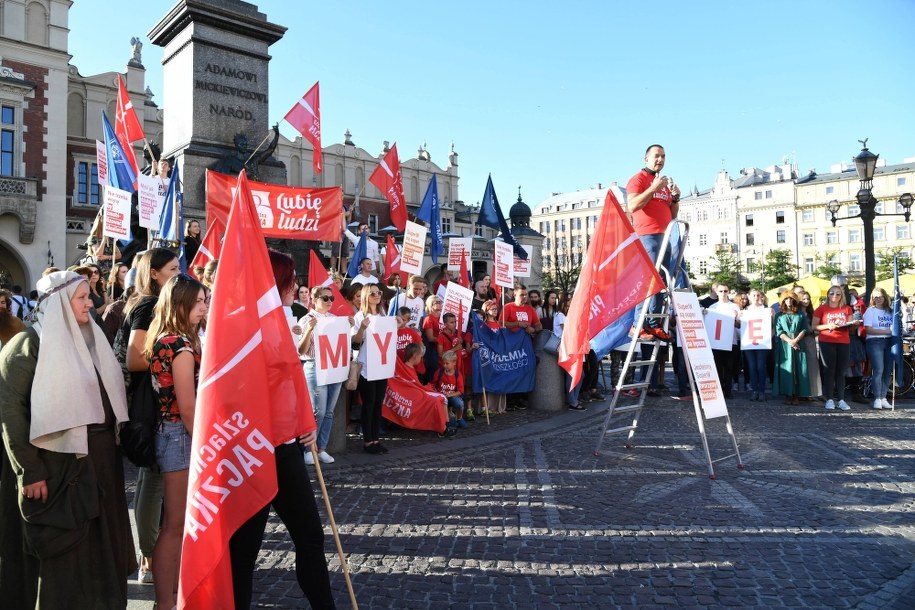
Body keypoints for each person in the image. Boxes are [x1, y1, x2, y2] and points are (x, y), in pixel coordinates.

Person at [0, 271, 135, 608]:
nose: (90, 304)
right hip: (55, 470)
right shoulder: (26, 347)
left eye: (89, 296)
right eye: (82, 298)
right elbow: (11, 414)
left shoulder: (91, 339)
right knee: (64, 557)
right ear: (59, 302)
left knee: (102, 552)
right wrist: (30, 471)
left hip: (100, 463)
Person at [230, 250, 336, 609]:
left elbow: (291, 380)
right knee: (243, 550)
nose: (296, 287)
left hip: (286, 446)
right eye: (291, 280)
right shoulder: (245, 324)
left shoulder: (283, 319)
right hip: (254, 450)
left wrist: (304, 421)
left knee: (310, 537)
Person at [113, 247, 181, 584]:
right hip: (148, 402)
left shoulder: (147, 302)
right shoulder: (149, 305)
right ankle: (150, 559)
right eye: (172, 269)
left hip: (146, 401)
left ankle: (148, 556)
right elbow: (135, 358)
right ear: (154, 274)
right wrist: (175, 357)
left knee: (149, 479)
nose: (178, 274)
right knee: (153, 481)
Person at [144, 273, 208, 609]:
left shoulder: (167, 338)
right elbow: (188, 408)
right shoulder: (180, 345)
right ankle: (165, 602)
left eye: (204, 301)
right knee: (175, 524)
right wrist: (205, 447)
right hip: (179, 436)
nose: (203, 307)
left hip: (171, 433)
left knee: (176, 523)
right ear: (179, 304)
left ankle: (171, 597)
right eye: (197, 302)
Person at [626, 144, 681, 341]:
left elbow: (672, 215)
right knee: (648, 279)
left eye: (663, 156)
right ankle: (637, 324)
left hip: (664, 236)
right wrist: (653, 188)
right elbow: (633, 205)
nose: (660, 159)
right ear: (646, 159)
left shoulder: (663, 183)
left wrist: (675, 199)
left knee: (660, 281)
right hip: (647, 235)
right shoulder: (638, 179)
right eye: (656, 156)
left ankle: (653, 324)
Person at [299, 285, 352, 463]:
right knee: (318, 412)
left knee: (329, 411)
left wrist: (349, 327)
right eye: (325, 298)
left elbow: (344, 343)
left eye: (332, 298)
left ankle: (322, 448)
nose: (329, 301)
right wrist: (309, 330)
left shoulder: (335, 319)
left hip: (334, 366)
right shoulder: (306, 320)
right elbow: (301, 350)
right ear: (314, 300)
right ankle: (309, 449)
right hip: (315, 366)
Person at [353, 284, 391, 454]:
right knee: (369, 404)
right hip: (366, 366)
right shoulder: (359, 316)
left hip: (381, 365)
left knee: (378, 404)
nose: (377, 295)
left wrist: (397, 325)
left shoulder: (383, 315)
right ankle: (368, 441)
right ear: (366, 296)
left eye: (378, 292)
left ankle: (376, 439)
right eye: (373, 293)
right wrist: (362, 328)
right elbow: (354, 343)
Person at [812, 286, 860, 411]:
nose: (835, 295)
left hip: (843, 341)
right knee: (829, 371)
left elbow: (850, 328)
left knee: (841, 371)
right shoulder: (821, 308)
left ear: (841, 296)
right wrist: (828, 326)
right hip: (827, 341)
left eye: (838, 294)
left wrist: (854, 324)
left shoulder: (847, 308)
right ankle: (829, 399)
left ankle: (841, 399)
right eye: (832, 293)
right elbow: (814, 326)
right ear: (828, 294)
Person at [772, 294, 809, 405]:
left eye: (791, 298)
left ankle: (796, 395)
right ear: (783, 301)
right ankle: (788, 394)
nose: (788, 300)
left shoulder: (800, 314)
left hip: (799, 343)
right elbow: (779, 331)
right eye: (786, 298)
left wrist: (796, 340)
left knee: (799, 369)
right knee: (787, 368)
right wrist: (790, 341)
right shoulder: (779, 315)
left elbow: (805, 329)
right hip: (785, 345)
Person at [706, 284, 740, 399]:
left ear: (728, 292)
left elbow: (739, 325)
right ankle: (719, 390)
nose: (723, 293)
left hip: (731, 341)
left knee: (729, 367)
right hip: (716, 342)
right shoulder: (712, 307)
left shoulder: (734, 306)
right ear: (716, 292)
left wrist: (735, 318)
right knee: (718, 367)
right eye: (721, 291)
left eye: (726, 291)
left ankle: (728, 391)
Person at [863, 287, 894, 410]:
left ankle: (883, 397)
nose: (878, 299)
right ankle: (877, 398)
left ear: (885, 297)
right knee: (878, 370)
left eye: (880, 296)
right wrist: (887, 331)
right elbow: (868, 329)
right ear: (872, 298)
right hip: (875, 341)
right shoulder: (870, 311)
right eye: (875, 297)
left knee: (888, 371)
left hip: (889, 342)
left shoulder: (890, 311)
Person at [742, 288, 774, 401]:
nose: (756, 297)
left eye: (758, 295)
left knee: (760, 366)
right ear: (749, 297)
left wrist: (769, 337)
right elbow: (739, 325)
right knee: (752, 367)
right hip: (749, 342)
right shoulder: (745, 310)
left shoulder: (767, 310)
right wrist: (737, 317)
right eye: (753, 295)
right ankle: (754, 390)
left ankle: (761, 391)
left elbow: (774, 326)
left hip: (762, 342)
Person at [797, 290, 824, 401]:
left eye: (808, 299)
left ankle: (812, 393)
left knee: (812, 367)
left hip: (810, 341)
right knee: (801, 367)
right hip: (799, 341)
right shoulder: (796, 312)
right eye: (803, 299)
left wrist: (815, 329)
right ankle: (800, 392)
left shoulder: (812, 313)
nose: (806, 301)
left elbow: (816, 327)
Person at [433, 350, 465, 430]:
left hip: (452, 397)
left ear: (454, 363)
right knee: (449, 421)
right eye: (443, 363)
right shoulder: (439, 372)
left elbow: (460, 391)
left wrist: (450, 394)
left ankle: (459, 418)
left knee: (460, 403)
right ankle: (446, 421)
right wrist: (437, 392)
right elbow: (433, 385)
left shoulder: (457, 374)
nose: (444, 365)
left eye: (447, 363)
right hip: (441, 397)